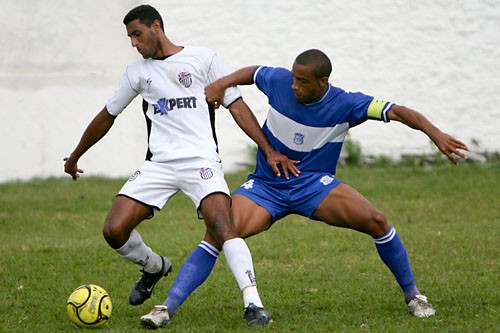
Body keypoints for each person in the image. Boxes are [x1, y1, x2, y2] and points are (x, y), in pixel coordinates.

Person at [142, 48, 469, 326]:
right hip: (266, 186)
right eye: (294, 78)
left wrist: (435, 134)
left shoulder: (346, 104)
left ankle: (414, 296)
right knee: (218, 232)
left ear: (322, 82)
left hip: (314, 185)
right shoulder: (280, 81)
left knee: (378, 221)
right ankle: (166, 308)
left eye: (302, 81)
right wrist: (221, 83)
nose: (294, 85)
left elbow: (396, 111)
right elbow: (253, 72)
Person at [63, 5, 297, 328]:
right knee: (114, 230)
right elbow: (107, 116)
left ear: (156, 27)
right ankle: (154, 266)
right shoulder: (137, 73)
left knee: (223, 225)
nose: (134, 43)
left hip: (201, 160)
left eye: (137, 34)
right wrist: (75, 156)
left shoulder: (203, 58)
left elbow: (237, 106)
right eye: (129, 37)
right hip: (159, 164)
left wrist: (269, 150)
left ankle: (253, 303)